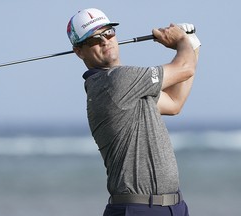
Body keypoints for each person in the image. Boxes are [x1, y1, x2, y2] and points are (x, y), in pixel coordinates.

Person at [67, 8, 200, 216]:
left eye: (108, 32)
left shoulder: (129, 86)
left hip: (174, 207)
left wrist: (193, 44)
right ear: (79, 51)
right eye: (94, 39)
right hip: (137, 209)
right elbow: (184, 68)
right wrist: (180, 40)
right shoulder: (115, 81)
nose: (105, 41)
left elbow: (174, 102)